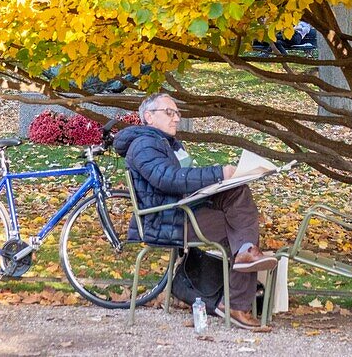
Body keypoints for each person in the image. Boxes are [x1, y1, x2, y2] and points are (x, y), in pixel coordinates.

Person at [114, 92, 274, 331]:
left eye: (177, 113)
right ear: (148, 116)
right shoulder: (143, 144)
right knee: (240, 225)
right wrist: (220, 174)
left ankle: (244, 257)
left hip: (180, 214)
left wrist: (223, 183)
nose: (176, 118)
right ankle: (237, 298)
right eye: (169, 112)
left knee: (238, 202)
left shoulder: (164, 143)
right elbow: (168, 179)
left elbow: (178, 181)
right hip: (165, 221)